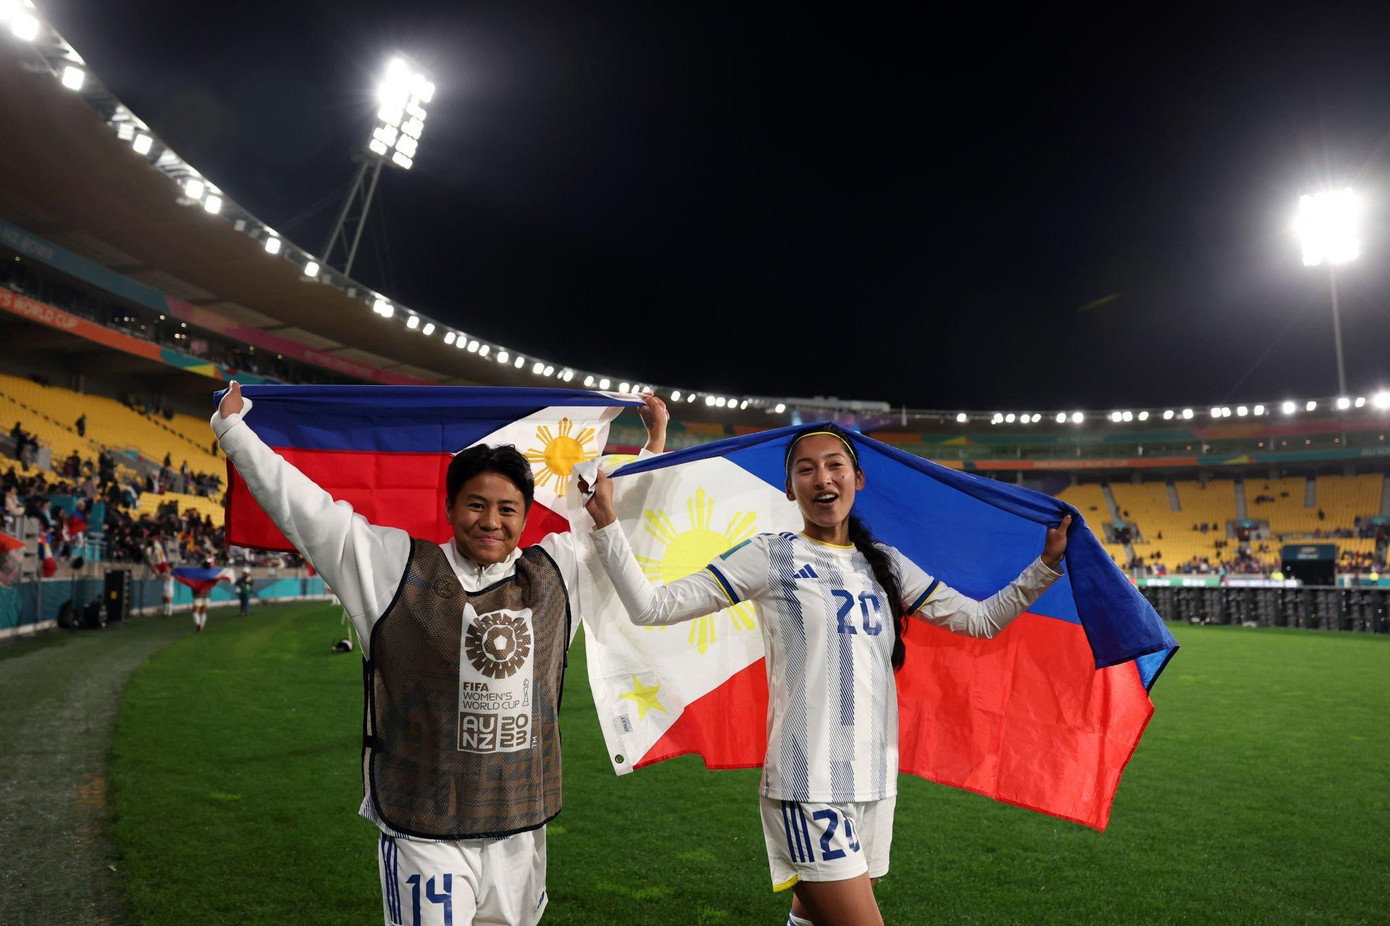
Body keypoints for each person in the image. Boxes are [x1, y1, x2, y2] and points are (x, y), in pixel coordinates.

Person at [211, 380, 668, 926]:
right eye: (476, 505)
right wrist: (234, 432)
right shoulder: (393, 567)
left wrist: (653, 446)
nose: (491, 521)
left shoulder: (555, 571)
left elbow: (617, 520)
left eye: (507, 508)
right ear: (449, 507)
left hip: (519, 824)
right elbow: (310, 514)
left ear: (525, 516)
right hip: (421, 824)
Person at [582, 424, 1069, 926]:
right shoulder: (769, 555)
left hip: (875, 782)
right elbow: (653, 607)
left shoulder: (887, 566)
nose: (822, 478)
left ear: (857, 478)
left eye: (835, 465)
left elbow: (978, 619)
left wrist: (1047, 565)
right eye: (806, 468)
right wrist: (606, 525)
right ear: (790, 488)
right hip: (806, 783)